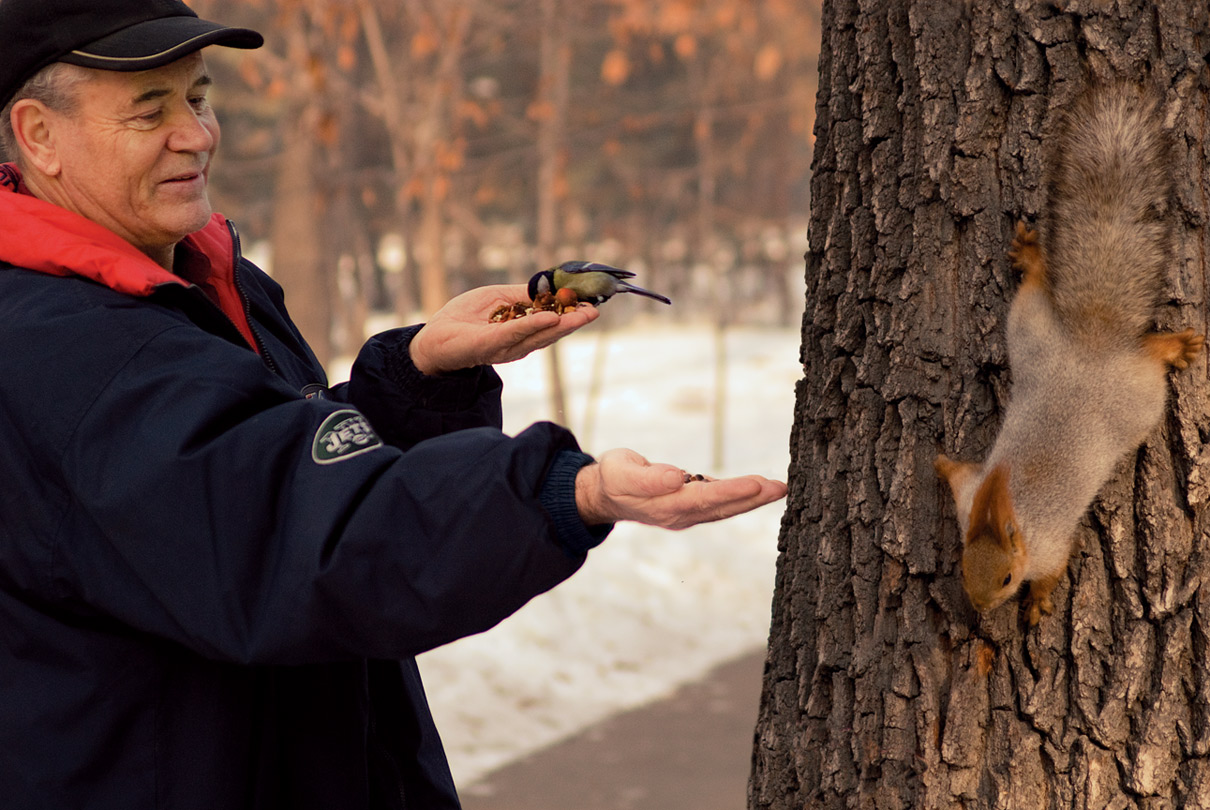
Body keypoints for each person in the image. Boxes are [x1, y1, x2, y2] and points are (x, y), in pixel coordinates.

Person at [0, 1, 786, 808]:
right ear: (39, 136)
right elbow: (286, 534)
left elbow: (270, 467)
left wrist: (416, 381)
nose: (196, 134)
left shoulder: (197, 281)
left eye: (197, 97)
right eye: (148, 110)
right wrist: (558, 492)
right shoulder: (64, 349)